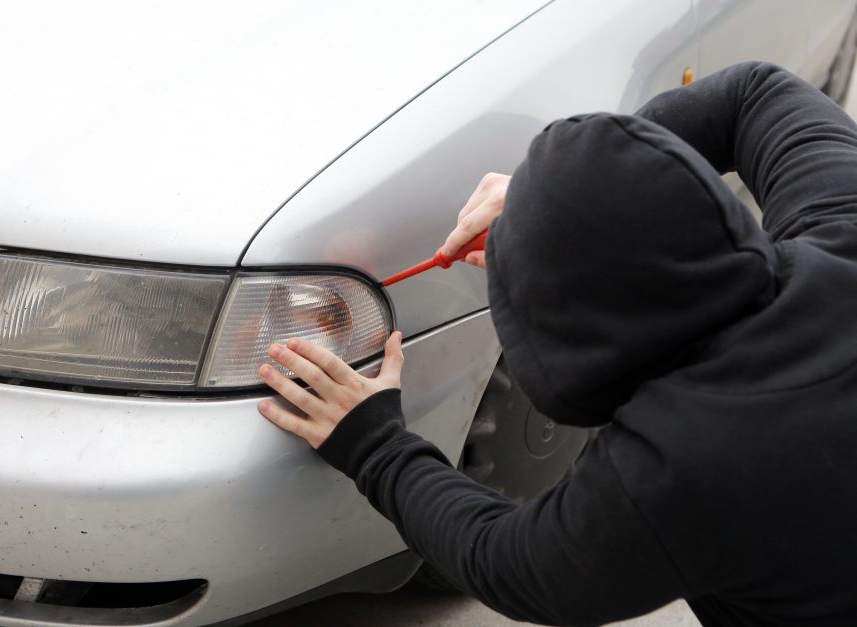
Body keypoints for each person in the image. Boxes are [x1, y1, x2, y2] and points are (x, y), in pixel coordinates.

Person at [256, 61, 857, 626]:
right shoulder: (842, 227)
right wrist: (562, 199)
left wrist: (374, 444)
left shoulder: (673, 479)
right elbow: (754, 93)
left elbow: (499, 557)